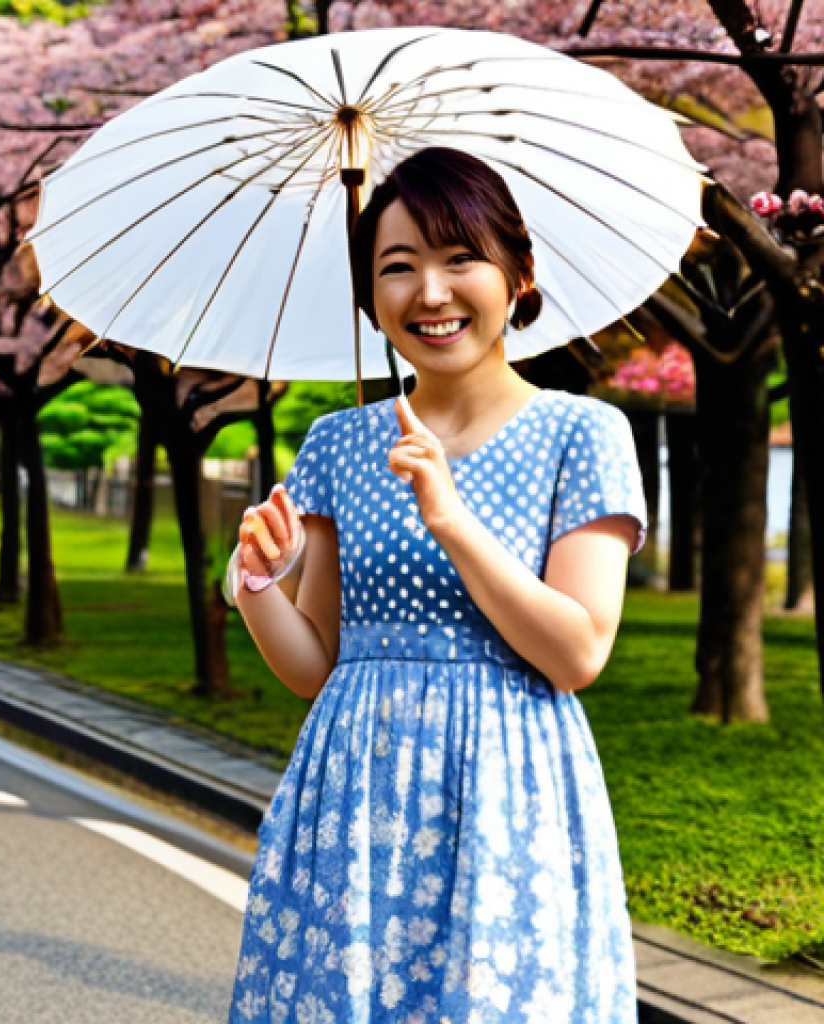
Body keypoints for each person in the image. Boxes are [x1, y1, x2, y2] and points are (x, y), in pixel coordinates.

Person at [227, 147, 647, 1024]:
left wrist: (452, 519)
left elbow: (577, 651)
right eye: (397, 266)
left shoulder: (585, 433)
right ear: (368, 293)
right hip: (352, 794)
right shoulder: (339, 444)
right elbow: (316, 666)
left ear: (518, 273)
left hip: (508, 792)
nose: (431, 292)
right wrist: (259, 585)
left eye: (461, 258)